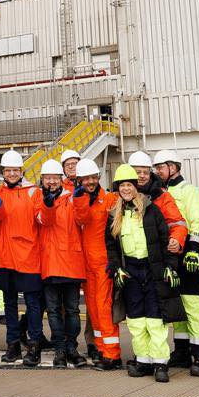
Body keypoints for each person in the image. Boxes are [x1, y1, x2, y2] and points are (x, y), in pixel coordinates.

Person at [106, 172, 175, 381]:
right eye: (122, 186)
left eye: (129, 185)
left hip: (152, 270)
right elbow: (111, 246)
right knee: (136, 319)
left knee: (155, 319)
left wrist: (170, 266)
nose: (126, 189)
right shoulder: (114, 214)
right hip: (130, 272)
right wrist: (116, 268)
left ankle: (160, 363)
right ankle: (143, 361)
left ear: (136, 187)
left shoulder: (151, 210)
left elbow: (164, 239)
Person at [0, 150, 46, 365]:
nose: (11, 174)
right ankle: (13, 346)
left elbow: (42, 220)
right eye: (8, 170)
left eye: (15, 170)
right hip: (5, 257)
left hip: (28, 256)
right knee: (9, 304)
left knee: (33, 303)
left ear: (22, 171)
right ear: (3, 172)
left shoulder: (34, 192)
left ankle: (34, 345)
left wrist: (48, 207)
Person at [153, 149, 199, 376]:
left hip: (186, 254)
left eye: (160, 167)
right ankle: (182, 351)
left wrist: (194, 251)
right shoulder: (160, 192)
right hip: (169, 255)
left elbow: (197, 222)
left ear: (173, 167)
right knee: (175, 303)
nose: (157, 171)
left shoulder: (190, 191)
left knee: (191, 304)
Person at [34, 161, 87, 367]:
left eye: (55, 178)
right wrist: (48, 205)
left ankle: (72, 348)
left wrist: (81, 199)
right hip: (50, 262)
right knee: (54, 310)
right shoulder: (38, 199)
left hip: (72, 261)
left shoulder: (72, 197)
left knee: (72, 310)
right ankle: (60, 350)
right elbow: (43, 221)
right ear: (42, 179)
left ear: (61, 179)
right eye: (48, 178)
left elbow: (83, 219)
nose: (52, 181)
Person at [72, 159, 122, 370]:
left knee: (103, 308)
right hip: (87, 264)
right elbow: (81, 220)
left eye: (93, 178)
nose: (90, 182)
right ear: (79, 181)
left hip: (103, 263)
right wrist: (81, 200)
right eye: (86, 179)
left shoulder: (109, 199)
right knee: (93, 309)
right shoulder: (81, 201)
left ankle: (112, 354)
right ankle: (102, 350)